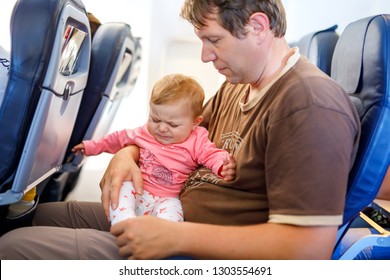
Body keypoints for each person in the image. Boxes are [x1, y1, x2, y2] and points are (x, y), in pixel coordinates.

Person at [0, 0, 360, 260]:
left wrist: (175, 237)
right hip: (161, 211)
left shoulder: (308, 104)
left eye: (213, 40)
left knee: (11, 250)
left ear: (258, 27)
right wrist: (128, 153)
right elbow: (171, 136)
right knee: (30, 218)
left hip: (191, 251)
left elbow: (307, 250)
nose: (205, 56)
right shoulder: (238, 85)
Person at [71, 73, 236, 224]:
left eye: (172, 124)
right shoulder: (144, 133)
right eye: (155, 119)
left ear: (195, 122)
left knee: (173, 216)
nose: (162, 128)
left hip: (168, 198)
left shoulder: (197, 140)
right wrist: (90, 146)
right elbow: (116, 139)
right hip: (139, 188)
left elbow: (210, 154)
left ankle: (158, 235)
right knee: (120, 190)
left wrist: (222, 165)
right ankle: (124, 223)